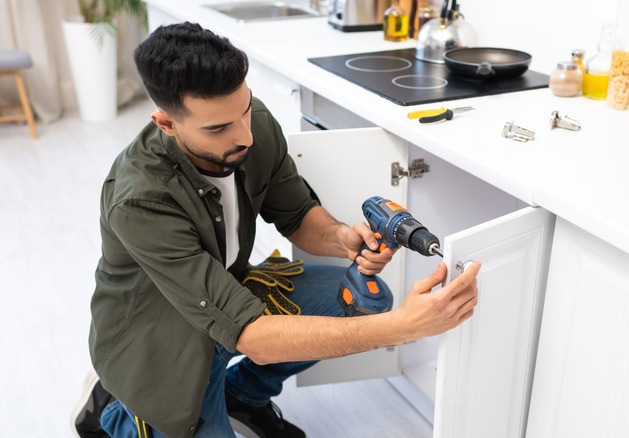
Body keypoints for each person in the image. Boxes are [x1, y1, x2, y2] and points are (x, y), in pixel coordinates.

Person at [73, 22, 480, 438]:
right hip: (160, 340)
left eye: (244, 111)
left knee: (359, 299)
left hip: (224, 293)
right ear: (167, 124)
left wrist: (342, 238)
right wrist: (405, 327)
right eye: (218, 129)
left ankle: (243, 396)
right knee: (179, 397)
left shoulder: (251, 126)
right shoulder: (141, 200)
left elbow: (298, 214)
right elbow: (255, 338)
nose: (245, 136)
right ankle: (120, 409)